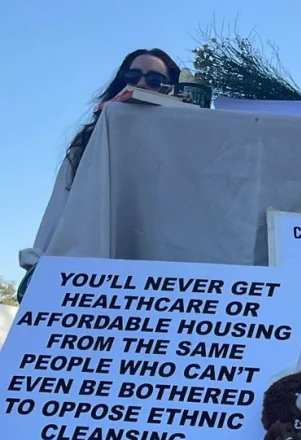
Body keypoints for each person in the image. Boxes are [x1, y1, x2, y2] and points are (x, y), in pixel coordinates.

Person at [16, 48, 184, 302]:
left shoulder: (183, 142)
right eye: (133, 76)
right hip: (94, 271)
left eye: (154, 80)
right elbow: (60, 206)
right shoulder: (89, 141)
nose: (141, 84)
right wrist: (41, 263)